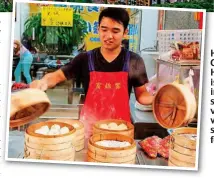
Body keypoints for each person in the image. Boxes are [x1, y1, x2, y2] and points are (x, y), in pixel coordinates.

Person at [30, 7, 154, 137]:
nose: (108, 36)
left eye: (115, 31)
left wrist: (159, 99)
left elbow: (142, 96)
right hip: (89, 131)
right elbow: (57, 76)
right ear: (98, 29)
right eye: (104, 29)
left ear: (125, 32)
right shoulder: (84, 59)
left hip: (120, 130)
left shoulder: (134, 61)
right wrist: (43, 82)